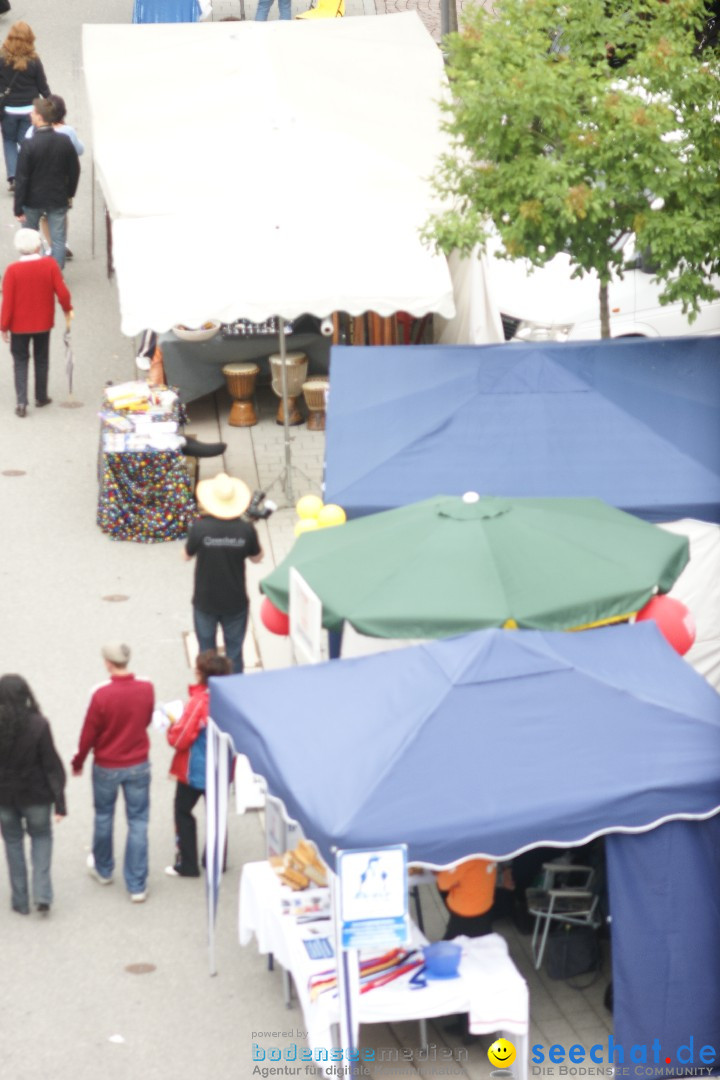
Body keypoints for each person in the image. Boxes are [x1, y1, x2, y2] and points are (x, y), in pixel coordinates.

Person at [71, 644, 154, 903]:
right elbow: (147, 719)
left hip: (107, 765)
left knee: (104, 815)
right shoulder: (146, 687)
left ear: (108, 662)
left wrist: (79, 761)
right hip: (138, 763)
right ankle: (137, 884)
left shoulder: (101, 694)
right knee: (138, 821)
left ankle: (104, 869)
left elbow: (89, 733)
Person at [0, 674, 66, 916]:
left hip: (5, 797)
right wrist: (60, 802)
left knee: (13, 842)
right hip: (36, 795)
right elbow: (51, 766)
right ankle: (42, 894)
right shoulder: (39, 724)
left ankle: (20, 900)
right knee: (41, 837)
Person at [184, 472, 263, 674]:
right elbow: (257, 558)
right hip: (235, 600)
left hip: (205, 599)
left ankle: (208, 691)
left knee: (206, 652)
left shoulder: (200, 528)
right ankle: (233, 691)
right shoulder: (245, 529)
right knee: (234, 653)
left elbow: (186, 555)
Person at [165, 650, 232, 878]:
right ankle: (216, 861)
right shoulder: (231, 699)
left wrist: (170, 726)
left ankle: (188, 863)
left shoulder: (199, 702)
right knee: (216, 814)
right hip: (222, 768)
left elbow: (180, 738)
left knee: (182, 811)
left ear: (201, 674)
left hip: (197, 769)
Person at [1, 227, 73, 417]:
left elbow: (7, 302)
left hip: (19, 325)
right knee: (42, 358)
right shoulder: (49, 265)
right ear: (36, 247)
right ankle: (41, 396)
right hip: (43, 322)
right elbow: (63, 292)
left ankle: (21, 401)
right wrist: (67, 309)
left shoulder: (12, 270)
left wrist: (4, 327)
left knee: (20, 360)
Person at [14, 96, 80, 270]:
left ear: (40, 117)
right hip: (57, 197)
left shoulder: (29, 144)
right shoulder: (64, 141)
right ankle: (55, 274)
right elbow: (74, 170)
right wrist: (69, 193)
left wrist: (18, 206)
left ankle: (33, 272)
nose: (31, 114)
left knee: (30, 235)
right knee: (58, 239)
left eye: (34, 112)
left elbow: (22, 178)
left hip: (32, 199)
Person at [0, 22, 50, 192]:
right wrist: (52, 105)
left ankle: (13, 176)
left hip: (8, 110)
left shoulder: (1, 58)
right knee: (25, 142)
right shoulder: (34, 60)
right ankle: (25, 176)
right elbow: (43, 86)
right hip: (29, 109)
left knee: (8, 141)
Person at [437, 857, 498, 939]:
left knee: (449, 944)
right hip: (486, 905)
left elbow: (442, 884)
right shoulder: (488, 852)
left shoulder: (463, 859)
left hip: (465, 911)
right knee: (483, 933)